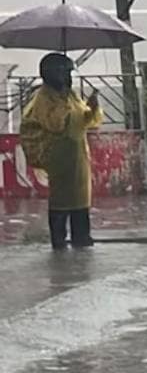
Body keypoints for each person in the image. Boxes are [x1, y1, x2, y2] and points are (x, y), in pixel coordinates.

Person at [19, 53, 103, 250]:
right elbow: (55, 124)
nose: (68, 77)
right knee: (62, 200)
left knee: (81, 199)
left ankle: (81, 238)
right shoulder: (43, 98)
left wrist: (92, 108)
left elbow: (84, 119)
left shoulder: (70, 94)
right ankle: (59, 242)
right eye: (64, 72)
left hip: (78, 154)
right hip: (58, 156)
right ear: (52, 74)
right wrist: (64, 101)